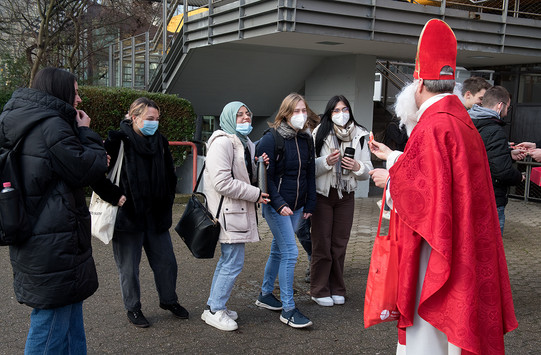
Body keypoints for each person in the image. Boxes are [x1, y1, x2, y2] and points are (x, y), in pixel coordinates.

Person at [369, 19, 517, 354]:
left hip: (434, 249)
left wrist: (389, 182)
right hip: (461, 241)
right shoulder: (460, 123)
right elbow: (438, 176)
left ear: (419, 84)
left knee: (429, 333)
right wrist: (394, 157)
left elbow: (424, 196)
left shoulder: (432, 126)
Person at [0, 67, 107, 353]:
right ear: (60, 91)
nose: (80, 99)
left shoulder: (24, 119)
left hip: (41, 235)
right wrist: (87, 134)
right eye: (75, 91)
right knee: (50, 324)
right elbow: (86, 169)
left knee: (68, 315)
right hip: (54, 241)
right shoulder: (52, 125)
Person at [91, 97, 188, 328]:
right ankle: (133, 308)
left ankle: (169, 300)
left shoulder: (160, 141)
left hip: (156, 217)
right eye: (149, 119)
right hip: (128, 219)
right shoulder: (117, 141)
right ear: (134, 117)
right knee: (128, 269)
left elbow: (170, 174)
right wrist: (115, 196)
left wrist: (168, 197)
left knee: (167, 263)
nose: (154, 123)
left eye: (157, 119)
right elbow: (94, 173)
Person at [200, 101, 269, 331]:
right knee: (232, 262)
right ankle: (215, 310)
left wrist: (257, 164)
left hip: (236, 211)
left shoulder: (244, 142)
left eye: (247, 114)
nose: (245, 119)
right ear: (229, 118)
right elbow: (222, 183)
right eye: (239, 115)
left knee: (228, 261)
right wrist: (256, 194)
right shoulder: (222, 143)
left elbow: (242, 174)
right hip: (228, 212)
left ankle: (215, 304)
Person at [255, 93, 316, 328]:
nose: (301, 116)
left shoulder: (306, 138)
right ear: (285, 113)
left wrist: (310, 204)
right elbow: (265, 178)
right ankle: (288, 309)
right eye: (296, 111)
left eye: (304, 111)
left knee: (279, 250)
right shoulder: (271, 139)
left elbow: (309, 173)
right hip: (277, 206)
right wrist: (279, 204)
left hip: (299, 205)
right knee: (290, 253)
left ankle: (265, 294)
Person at [310, 95, 373, 307]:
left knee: (340, 243)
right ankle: (319, 289)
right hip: (323, 194)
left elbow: (368, 170)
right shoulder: (319, 133)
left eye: (344, 109)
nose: (341, 114)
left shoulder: (361, 134)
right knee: (322, 243)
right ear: (329, 114)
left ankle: (337, 287)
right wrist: (326, 162)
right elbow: (309, 167)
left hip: (346, 194)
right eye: (336, 110)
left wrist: (357, 167)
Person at [469, 86, 525, 234]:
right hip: (491, 199)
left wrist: (508, 153)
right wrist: (519, 177)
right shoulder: (494, 130)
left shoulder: (469, 122)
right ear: (500, 106)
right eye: (508, 107)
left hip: (470, 195)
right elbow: (502, 171)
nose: (507, 112)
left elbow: (482, 155)